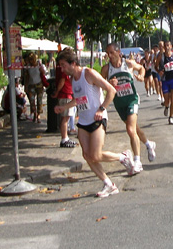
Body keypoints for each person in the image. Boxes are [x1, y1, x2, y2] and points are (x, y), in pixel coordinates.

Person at [54, 48, 134, 198]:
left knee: (96, 155)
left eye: (63, 65)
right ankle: (108, 184)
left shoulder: (88, 73)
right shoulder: (73, 79)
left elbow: (111, 90)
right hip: (83, 121)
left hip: (98, 118)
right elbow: (79, 100)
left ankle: (123, 157)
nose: (62, 69)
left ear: (73, 63)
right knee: (87, 155)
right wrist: (64, 107)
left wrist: (101, 108)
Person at [101, 43, 157, 174]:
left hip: (132, 100)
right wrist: (109, 84)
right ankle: (149, 144)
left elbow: (141, 68)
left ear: (118, 52)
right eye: (107, 53)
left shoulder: (129, 64)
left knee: (130, 130)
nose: (109, 56)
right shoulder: (105, 69)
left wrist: (142, 76)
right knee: (135, 129)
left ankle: (137, 162)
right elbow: (99, 85)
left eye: (111, 52)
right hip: (119, 104)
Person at [53, 63, 78, 148]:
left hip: (65, 94)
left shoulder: (60, 67)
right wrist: (57, 91)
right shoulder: (65, 69)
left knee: (66, 117)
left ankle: (65, 137)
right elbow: (62, 81)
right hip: (65, 94)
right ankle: (64, 139)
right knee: (65, 117)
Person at [157, 40, 173, 125]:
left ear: (171, 46)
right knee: (167, 100)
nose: (166, 47)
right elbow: (156, 66)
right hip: (165, 80)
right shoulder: (161, 57)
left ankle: (171, 117)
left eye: (168, 45)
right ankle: (166, 106)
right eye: (165, 46)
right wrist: (159, 71)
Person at [23, 52, 47, 123]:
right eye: (30, 60)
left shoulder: (39, 65)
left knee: (39, 101)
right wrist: (26, 86)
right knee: (32, 101)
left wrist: (41, 69)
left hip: (39, 84)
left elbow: (43, 73)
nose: (31, 62)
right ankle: (34, 113)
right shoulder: (28, 66)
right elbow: (27, 77)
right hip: (31, 85)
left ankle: (38, 115)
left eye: (32, 60)